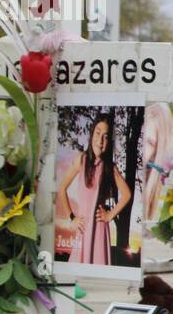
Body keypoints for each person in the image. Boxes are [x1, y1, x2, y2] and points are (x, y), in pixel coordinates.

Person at [56, 113, 132, 265]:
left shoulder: (110, 167)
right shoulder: (81, 160)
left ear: (109, 141)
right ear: (91, 135)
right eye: (98, 133)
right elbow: (62, 188)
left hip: (99, 230)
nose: (100, 140)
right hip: (83, 228)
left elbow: (127, 194)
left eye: (105, 136)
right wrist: (72, 217)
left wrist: (110, 215)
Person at [142, 102, 173, 223]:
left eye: (150, 143)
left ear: (157, 152)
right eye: (141, 136)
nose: (142, 148)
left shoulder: (164, 198)